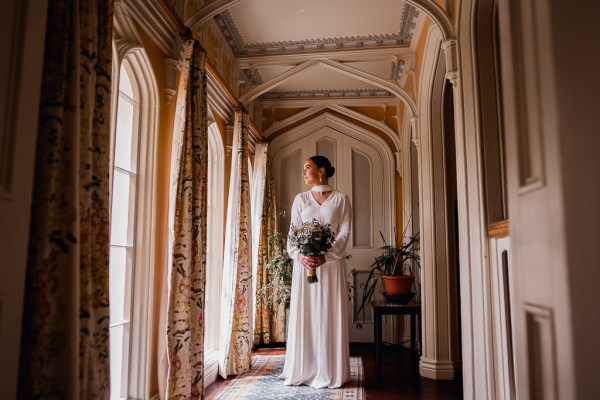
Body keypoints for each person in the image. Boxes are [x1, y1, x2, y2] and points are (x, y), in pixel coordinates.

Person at [280, 155, 352, 389]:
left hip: (330, 267)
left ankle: (330, 371)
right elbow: (292, 235)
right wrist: (300, 256)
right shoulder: (300, 199)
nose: (303, 172)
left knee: (328, 314)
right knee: (307, 315)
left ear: (322, 170)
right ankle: (304, 370)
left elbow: (343, 232)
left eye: (307, 168)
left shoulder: (341, 199)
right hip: (305, 267)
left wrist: (326, 256)